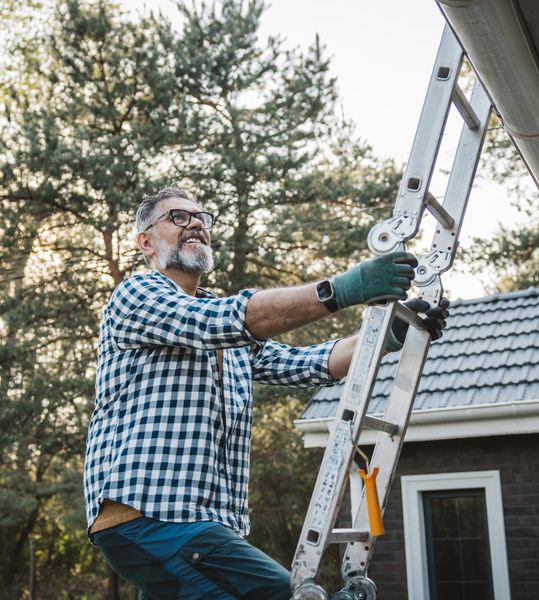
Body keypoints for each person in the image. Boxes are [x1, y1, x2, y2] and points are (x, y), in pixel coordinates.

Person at [83, 186, 449, 599]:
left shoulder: (226, 329)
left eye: (201, 217)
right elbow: (220, 320)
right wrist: (343, 289)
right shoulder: (137, 296)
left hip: (200, 523)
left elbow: (307, 364)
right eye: (178, 217)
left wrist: (385, 335)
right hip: (151, 516)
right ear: (146, 242)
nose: (197, 224)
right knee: (275, 591)